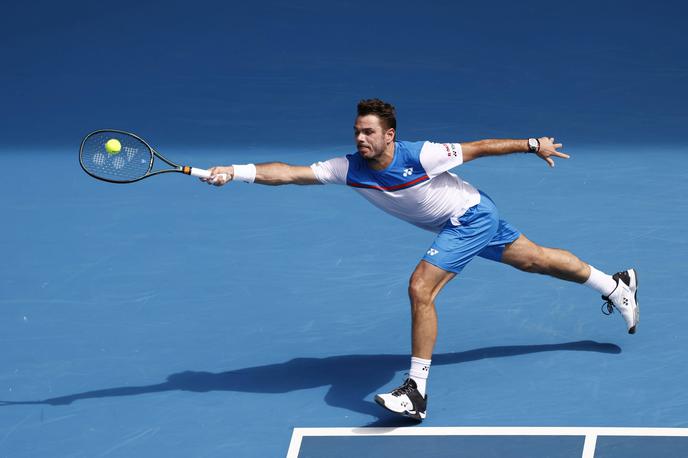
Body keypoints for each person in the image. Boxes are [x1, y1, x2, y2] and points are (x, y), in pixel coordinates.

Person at [203, 98, 639, 421]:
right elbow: (289, 173)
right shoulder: (349, 167)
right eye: (357, 131)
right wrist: (236, 171)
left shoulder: (420, 155)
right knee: (536, 260)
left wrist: (532, 144)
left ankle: (416, 391)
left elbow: (481, 147)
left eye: (369, 132)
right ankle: (615, 284)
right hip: (465, 219)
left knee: (420, 288)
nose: (360, 138)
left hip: (467, 217)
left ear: (389, 135)